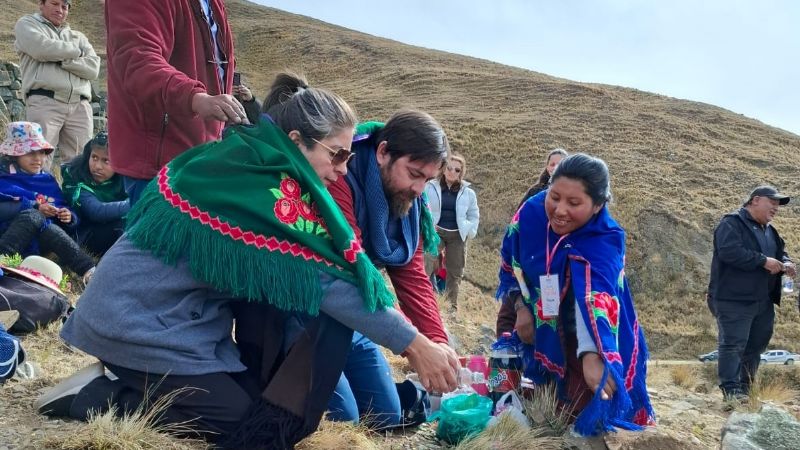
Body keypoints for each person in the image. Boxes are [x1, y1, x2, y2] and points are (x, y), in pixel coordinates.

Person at [38, 73, 457, 449]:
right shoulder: (270, 194)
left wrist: (428, 340)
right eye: (336, 155)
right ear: (297, 141)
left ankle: (133, 377)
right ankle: (102, 394)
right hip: (139, 324)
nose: (343, 170)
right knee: (252, 429)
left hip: (182, 321)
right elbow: (329, 285)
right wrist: (414, 345)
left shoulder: (257, 165)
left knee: (267, 407)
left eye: (348, 156)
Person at [496, 153, 653, 435]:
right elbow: (512, 264)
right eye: (554, 196)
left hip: (587, 333)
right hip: (536, 318)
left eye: (574, 203)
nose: (559, 210)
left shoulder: (606, 239)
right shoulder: (531, 215)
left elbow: (595, 301)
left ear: (597, 206)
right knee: (531, 400)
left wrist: (592, 354)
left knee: (591, 413)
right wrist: (521, 307)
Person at [326, 110, 457, 428]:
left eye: (427, 180)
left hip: (354, 321)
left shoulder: (407, 202)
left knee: (385, 415)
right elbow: (347, 274)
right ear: (383, 152)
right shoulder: (338, 178)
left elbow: (412, 274)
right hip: (309, 314)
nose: (418, 189)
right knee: (343, 419)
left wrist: (438, 343)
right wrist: (414, 345)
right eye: (413, 174)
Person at [104, 0, 248, 205]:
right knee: (154, 236)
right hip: (159, 162)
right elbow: (137, 62)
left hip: (199, 155)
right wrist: (196, 98)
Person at [707, 185, 795, 401]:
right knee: (733, 343)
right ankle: (731, 391)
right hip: (733, 299)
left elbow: (779, 252)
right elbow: (729, 252)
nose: (775, 208)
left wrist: (785, 262)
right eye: (772, 202)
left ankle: (746, 389)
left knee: (756, 346)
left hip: (763, 301)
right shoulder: (732, 223)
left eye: (778, 205)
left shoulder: (770, 230)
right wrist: (763, 261)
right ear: (755, 200)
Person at [0, 122, 95, 284]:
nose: (38, 159)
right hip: (8, 236)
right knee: (33, 215)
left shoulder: (46, 180)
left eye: (42, 153)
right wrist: (35, 206)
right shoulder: (3, 178)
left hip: (39, 241)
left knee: (47, 226)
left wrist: (68, 216)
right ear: (15, 154)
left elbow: (62, 204)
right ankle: (3, 259)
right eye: (30, 153)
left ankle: (90, 271)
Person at [14, 0, 99, 171]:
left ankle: (75, 198)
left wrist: (62, 61)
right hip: (45, 100)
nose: (60, 10)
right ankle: (40, 198)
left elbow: (93, 69)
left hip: (80, 106)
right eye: (54, 3)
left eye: (64, 6)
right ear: (41, 4)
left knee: (80, 164)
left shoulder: (79, 36)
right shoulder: (27, 24)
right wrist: (76, 52)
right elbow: (41, 49)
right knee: (38, 160)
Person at [497, 147, 568, 336]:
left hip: (557, 267)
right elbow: (517, 224)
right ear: (546, 167)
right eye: (552, 164)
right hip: (528, 260)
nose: (556, 167)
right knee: (508, 315)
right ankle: (506, 358)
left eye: (560, 163)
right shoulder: (534, 197)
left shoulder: (574, 203)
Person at [424, 152, 479, 310]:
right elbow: (422, 206)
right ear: (443, 168)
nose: (452, 172)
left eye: (457, 170)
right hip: (436, 232)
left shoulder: (468, 193)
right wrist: (427, 226)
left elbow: (474, 214)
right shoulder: (431, 186)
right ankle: (424, 301)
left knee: (455, 272)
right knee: (426, 261)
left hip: (457, 235)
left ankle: (450, 308)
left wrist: (470, 230)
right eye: (449, 167)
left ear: (461, 172)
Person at [61, 131, 129, 256]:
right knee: (122, 224)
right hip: (85, 235)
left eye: (106, 161)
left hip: (113, 231)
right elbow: (96, 211)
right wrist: (139, 203)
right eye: (94, 157)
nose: (97, 166)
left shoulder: (124, 177)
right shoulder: (76, 176)